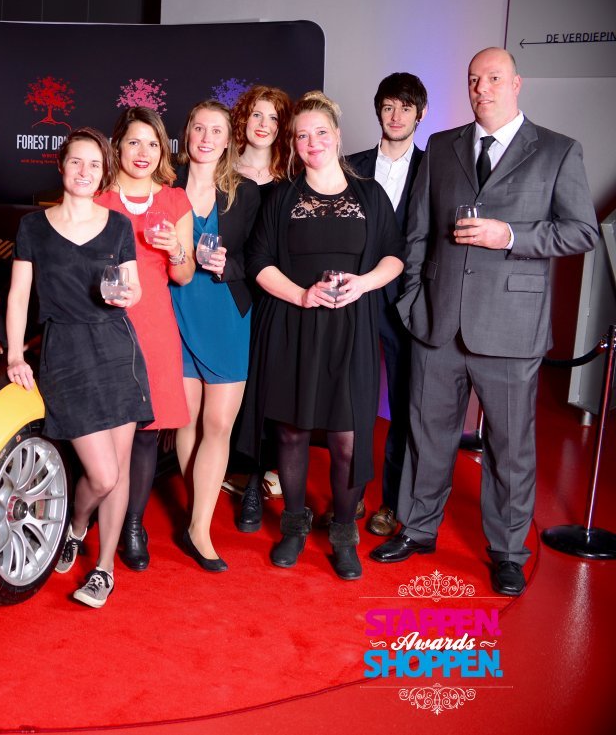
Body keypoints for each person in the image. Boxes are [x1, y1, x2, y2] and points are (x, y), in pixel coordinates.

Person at [371, 48, 599, 596]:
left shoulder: (557, 150)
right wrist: (413, 301)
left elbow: (582, 231)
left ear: (517, 83)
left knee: (510, 448)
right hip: (437, 321)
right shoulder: (441, 146)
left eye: (494, 78)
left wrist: (511, 236)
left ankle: (508, 552)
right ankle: (417, 528)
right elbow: (418, 233)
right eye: (474, 79)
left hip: (511, 326)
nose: (482, 88)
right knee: (426, 434)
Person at [240, 91, 405, 580]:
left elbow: (394, 255)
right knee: (291, 432)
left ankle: (344, 535)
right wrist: (300, 295)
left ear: (337, 135)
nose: (312, 142)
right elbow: (258, 262)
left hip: (351, 331)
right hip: (293, 325)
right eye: (302, 135)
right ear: (293, 143)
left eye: (320, 133)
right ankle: (294, 526)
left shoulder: (370, 195)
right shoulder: (282, 198)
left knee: (347, 437)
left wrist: (365, 283)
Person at [6, 127, 152, 608]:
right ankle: (76, 523)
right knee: (102, 475)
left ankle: (103, 569)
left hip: (117, 351)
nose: (85, 171)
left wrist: (128, 295)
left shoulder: (117, 226)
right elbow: (19, 296)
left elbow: (132, 287)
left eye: (94, 164)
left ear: (103, 171)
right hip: (65, 352)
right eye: (76, 162)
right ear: (61, 166)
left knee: (119, 470)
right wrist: (15, 354)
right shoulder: (33, 227)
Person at [95, 107, 193, 571]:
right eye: (134, 142)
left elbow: (184, 275)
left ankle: (133, 523)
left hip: (154, 326)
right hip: (105, 325)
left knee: (146, 435)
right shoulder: (97, 200)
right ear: (118, 146)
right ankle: (99, 514)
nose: (143, 152)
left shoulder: (174, 200)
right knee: (104, 429)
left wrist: (176, 249)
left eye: (153, 144)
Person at [170, 100, 261, 571]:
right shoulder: (166, 187)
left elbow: (260, 257)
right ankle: (196, 517)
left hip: (226, 313)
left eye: (217, 131)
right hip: (176, 310)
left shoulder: (245, 193)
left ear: (229, 141)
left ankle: (199, 528)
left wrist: (231, 265)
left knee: (219, 424)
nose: (206, 138)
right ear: (187, 133)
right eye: (199, 128)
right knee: (186, 422)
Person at [345, 73, 427, 537]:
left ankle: (393, 502)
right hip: (356, 295)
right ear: (378, 110)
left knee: (402, 404)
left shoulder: (434, 167)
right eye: (389, 106)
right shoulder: (351, 166)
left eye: (406, 108)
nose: (396, 116)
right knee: (351, 399)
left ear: (420, 114)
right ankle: (351, 494)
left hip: (407, 302)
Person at [227, 85, 293, 532]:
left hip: (272, 297)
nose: (264, 125)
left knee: (266, 389)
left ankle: (254, 480)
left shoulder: (291, 177)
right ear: (243, 120)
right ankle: (232, 467)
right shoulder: (220, 171)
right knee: (233, 387)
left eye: (273, 117)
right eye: (256, 115)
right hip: (228, 293)